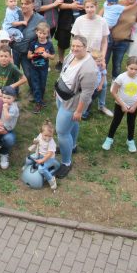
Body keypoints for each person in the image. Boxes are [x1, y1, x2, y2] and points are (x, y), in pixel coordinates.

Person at [53, 35, 98, 179]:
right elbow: (63, 72)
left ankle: (66, 163)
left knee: (61, 132)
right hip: (62, 96)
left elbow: (86, 94)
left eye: (78, 46)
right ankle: (72, 146)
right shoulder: (71, 56)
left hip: (73, 104)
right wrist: (57, 89)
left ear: (85, 47)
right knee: (71, 125)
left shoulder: (89, 69)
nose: (75, 48)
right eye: (73, 46)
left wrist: (79, 111)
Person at [101, 57, 137, 153]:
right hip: (120, 104)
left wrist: (135, 106)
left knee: (131, 123)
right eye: (131, 68)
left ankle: (130, 140)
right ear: (126, 67)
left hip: (133, 106)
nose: (133, 71)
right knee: (116, 122)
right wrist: (122, 105)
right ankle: (109, 139)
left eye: (136, 69)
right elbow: (114, 92)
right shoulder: (121, 77)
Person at [106, 0, 137, 79]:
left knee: (117, 64)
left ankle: (116, 81)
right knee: (104, 61)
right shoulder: (116, 2)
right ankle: (100, 82)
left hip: (123, 41)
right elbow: (103, 11)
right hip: (109, 38)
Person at [10, 0, 46, 87]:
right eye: (21, 3)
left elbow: (46, 37)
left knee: (29, 74)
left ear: (33, 4)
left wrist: (38, 52)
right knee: (13, 73)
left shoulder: (39, 19)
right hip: (14, 50)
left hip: (27, 53)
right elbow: (7, 26)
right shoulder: (16, 14)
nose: (23, 6)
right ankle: (13, 92)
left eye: (26, 3)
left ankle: (34, 92)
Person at [54, 0, 84, 66]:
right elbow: (58, 4)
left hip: (81, 19)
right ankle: (61, 61)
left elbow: (92, 1)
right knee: (62, 43)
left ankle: (79, 61)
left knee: (81, 42)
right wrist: (72, 6)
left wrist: (83, 5)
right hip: (65, 19)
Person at [27, 22, 54, 114]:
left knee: (42, 84)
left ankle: (41, 99)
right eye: (40, 33)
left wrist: (47, 55)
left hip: (44, 69)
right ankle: (38, 102)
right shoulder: (33, 43)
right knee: (36, 85)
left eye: (44, 33)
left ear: (48, 34)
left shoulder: (49, 44)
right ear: (36, 32)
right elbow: (28, 56)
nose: (42, 35)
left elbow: (53, 56)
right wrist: (36, 54)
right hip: (34, 68)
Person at [26, 120, 59, 191]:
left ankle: (51, 180)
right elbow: (37, 141)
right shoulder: (40, 136)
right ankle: (25, 168)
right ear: (41, 133)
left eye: (50, 136)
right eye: (46, 135)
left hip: (49, 158)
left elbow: (49, 154)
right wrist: (34, 142)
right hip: (40, 154)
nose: (48, 138)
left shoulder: (51, 142)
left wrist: (42, 160)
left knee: (41, 169)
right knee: (28, 159)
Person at [83, 51, 111, 119]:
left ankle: (85, 113)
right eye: (97, 61)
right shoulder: (88, 67)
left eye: (100, 61)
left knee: (90, 101)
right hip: (87, 88)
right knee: (84, 99)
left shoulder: (101, 67)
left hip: (96, 88)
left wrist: (101, 85)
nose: (99, 63)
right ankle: (81, 111)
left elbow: (103, 76)